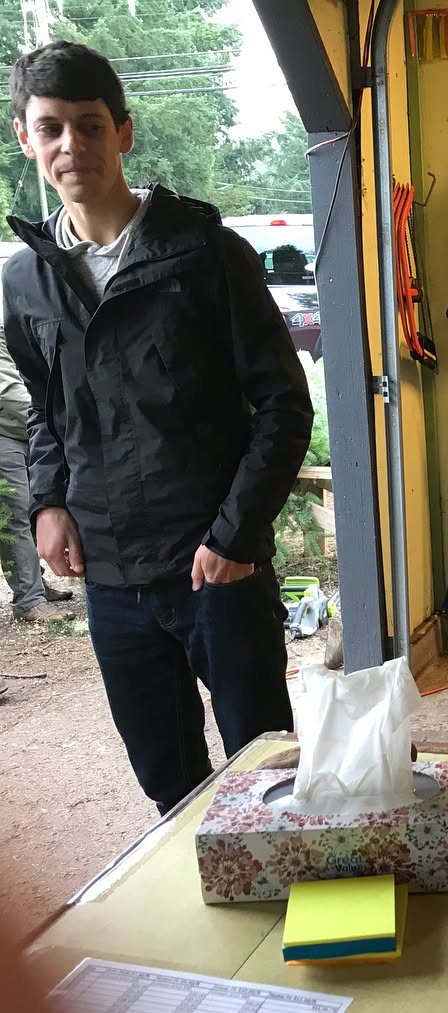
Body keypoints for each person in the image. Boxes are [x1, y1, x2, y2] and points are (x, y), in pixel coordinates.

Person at [3, 41, 314, 814]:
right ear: (25, 139)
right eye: (51, 129)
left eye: (90, 124)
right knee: (167, 780)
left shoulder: (207, 255)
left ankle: (281, 913)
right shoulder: (26, 279)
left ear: (124, 133)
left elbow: (283, 404)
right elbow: (47, 409)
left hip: (216, 566)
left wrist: (238, 537)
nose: (70, 146)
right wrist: (48, 504)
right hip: (112, 577)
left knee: (265, 770)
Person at [0, 318, 75, 633]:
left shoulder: (9, 327)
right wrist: (57, 416)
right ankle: (28, 600)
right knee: (14, 514)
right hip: (6, 431)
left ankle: (36, 585)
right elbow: (6, 391)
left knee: (34, 508)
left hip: (24, 428)